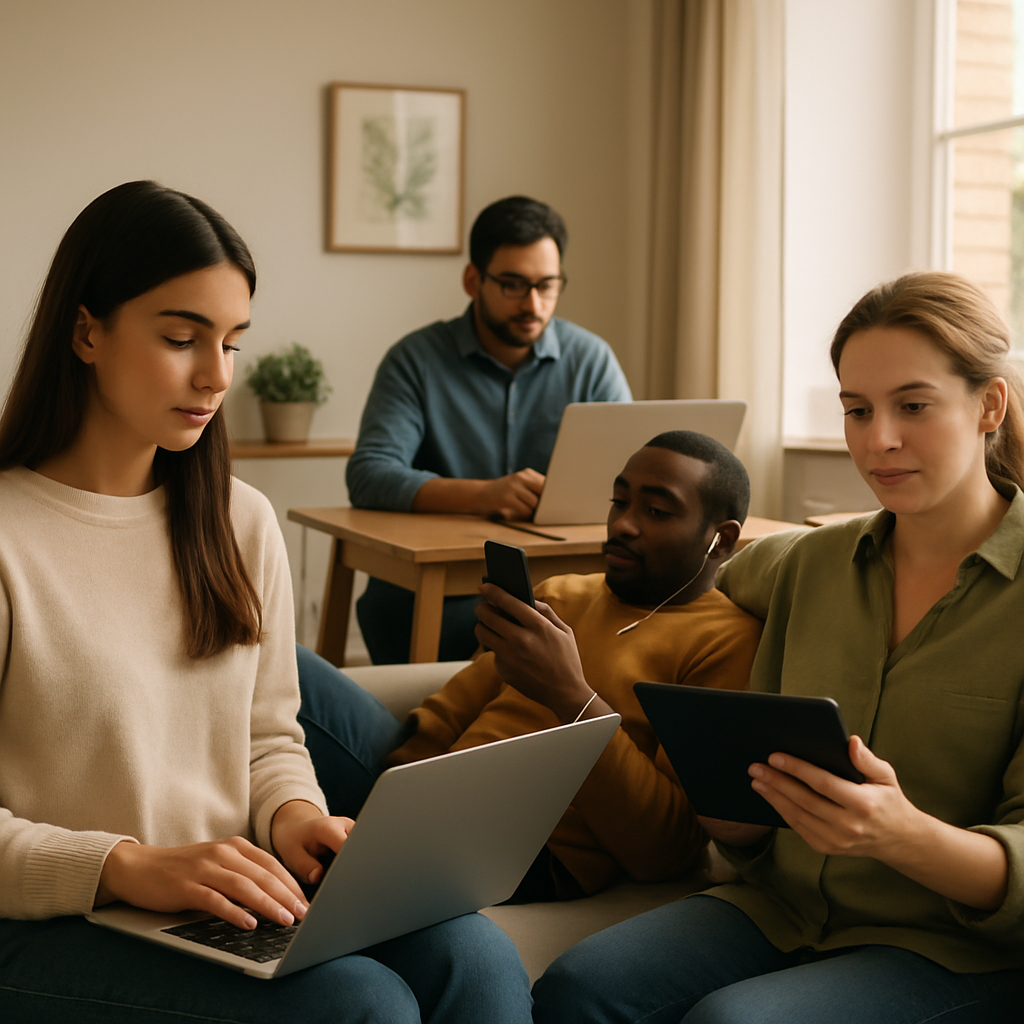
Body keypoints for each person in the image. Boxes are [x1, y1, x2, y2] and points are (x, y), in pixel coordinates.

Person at [0, 180, 531, 1024]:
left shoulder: (238, 521)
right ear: (86, 330)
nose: (216, 377)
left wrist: (294, 817)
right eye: (182, 338)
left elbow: (269, 737)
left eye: (233, 343)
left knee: (474, 956)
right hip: (53, 919)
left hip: (218, 906)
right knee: (362, 1007)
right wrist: (126, 865)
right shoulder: (10, 536)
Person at [530, 271, 1024, 1023]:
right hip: (777, 905)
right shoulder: (809, 562)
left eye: (913, 406)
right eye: (856, 410)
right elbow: (694, 571)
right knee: (575, 987)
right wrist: (733, 809)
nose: (878, 439)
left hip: (948, 944)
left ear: (988, 405)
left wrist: (901, 835)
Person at [299, 431, 762, 901]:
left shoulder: (725, 641)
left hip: (530, 845)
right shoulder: (564, 593)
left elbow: (667, 850)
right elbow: (450, 715)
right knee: (286, 664)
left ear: (720, 540)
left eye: (656, 511)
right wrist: (392, 804)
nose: (623, 524)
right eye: (618, 501)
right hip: (424, 800)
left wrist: (573, 699)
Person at [346, 195, 632, 664]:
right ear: (472, 280)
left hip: (567, 581)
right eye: (514, 285)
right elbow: (369, 474)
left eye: (547, 285)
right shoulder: (415, 360)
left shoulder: (592, 359)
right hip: (440, 586)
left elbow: (631, 473)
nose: (533, 303)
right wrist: (482, 495)